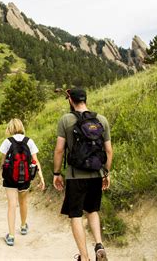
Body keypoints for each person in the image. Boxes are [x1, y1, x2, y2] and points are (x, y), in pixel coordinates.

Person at [53, 88, 113, 261]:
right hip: (96, 173)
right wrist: (105, 173)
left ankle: (85, 257)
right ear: (85, 100)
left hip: (75, 176)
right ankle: (99, 245)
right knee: (93, 210)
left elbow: (59, 150)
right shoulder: (101, 120)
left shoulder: (66, 120)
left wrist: (57, 173)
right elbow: (108, 150)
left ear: (71, 101)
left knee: (76, 215)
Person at [0, 118, 45, 246]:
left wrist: (1, 173)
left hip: (10, 179)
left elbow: (3, 161)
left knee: (11, 205)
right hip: (25, 178)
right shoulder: (29, 141)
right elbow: (35, 161)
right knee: (23, 202)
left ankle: (11, 236)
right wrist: (41, 177)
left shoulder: (7, 142)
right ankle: (23, 226)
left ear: (10, 128)